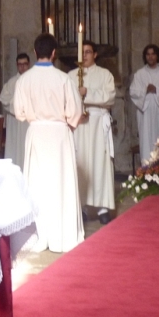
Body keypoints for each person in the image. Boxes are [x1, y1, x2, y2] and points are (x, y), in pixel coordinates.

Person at [14, 33, 83, 253]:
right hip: (59, 134)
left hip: (36, 132)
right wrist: (67, 123)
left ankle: (39, 236)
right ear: (54, 53)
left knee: (37, 185)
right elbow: (75, 112)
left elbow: (19, 113)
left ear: (35, 52)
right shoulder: (64, 79)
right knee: (61, 183)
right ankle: (62, 236)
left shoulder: (24, 79)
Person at [68, 41, 116, 224]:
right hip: (79, 124)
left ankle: (103, 207)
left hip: (97, 123)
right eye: (82, 52)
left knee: (100, 164)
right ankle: (83, 207)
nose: (85, 55)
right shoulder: (71, 76)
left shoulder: (105, 74)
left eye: (88, 52)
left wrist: (87, 93)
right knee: (82, 164)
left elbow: (109, 97)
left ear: (95, 54)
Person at [129, 44, 159, 165]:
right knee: (146, 140)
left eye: (153, 54)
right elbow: (133, 92)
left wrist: (157, 90)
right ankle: (147, 170)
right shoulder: (140, 74)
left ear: (157, 55)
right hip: (146, 114)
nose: (150, 57)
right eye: (148, 54)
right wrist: (145, 90)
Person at [0, 53, 30, 170]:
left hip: (29, 120)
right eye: (20, 64)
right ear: (17, 65)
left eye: (25, 64)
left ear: (29, 64)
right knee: (15, 146)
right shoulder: (12, 82)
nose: (22, 67)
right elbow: (3, 99)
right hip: (15, 120)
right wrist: (17, 104)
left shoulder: (33, 79)